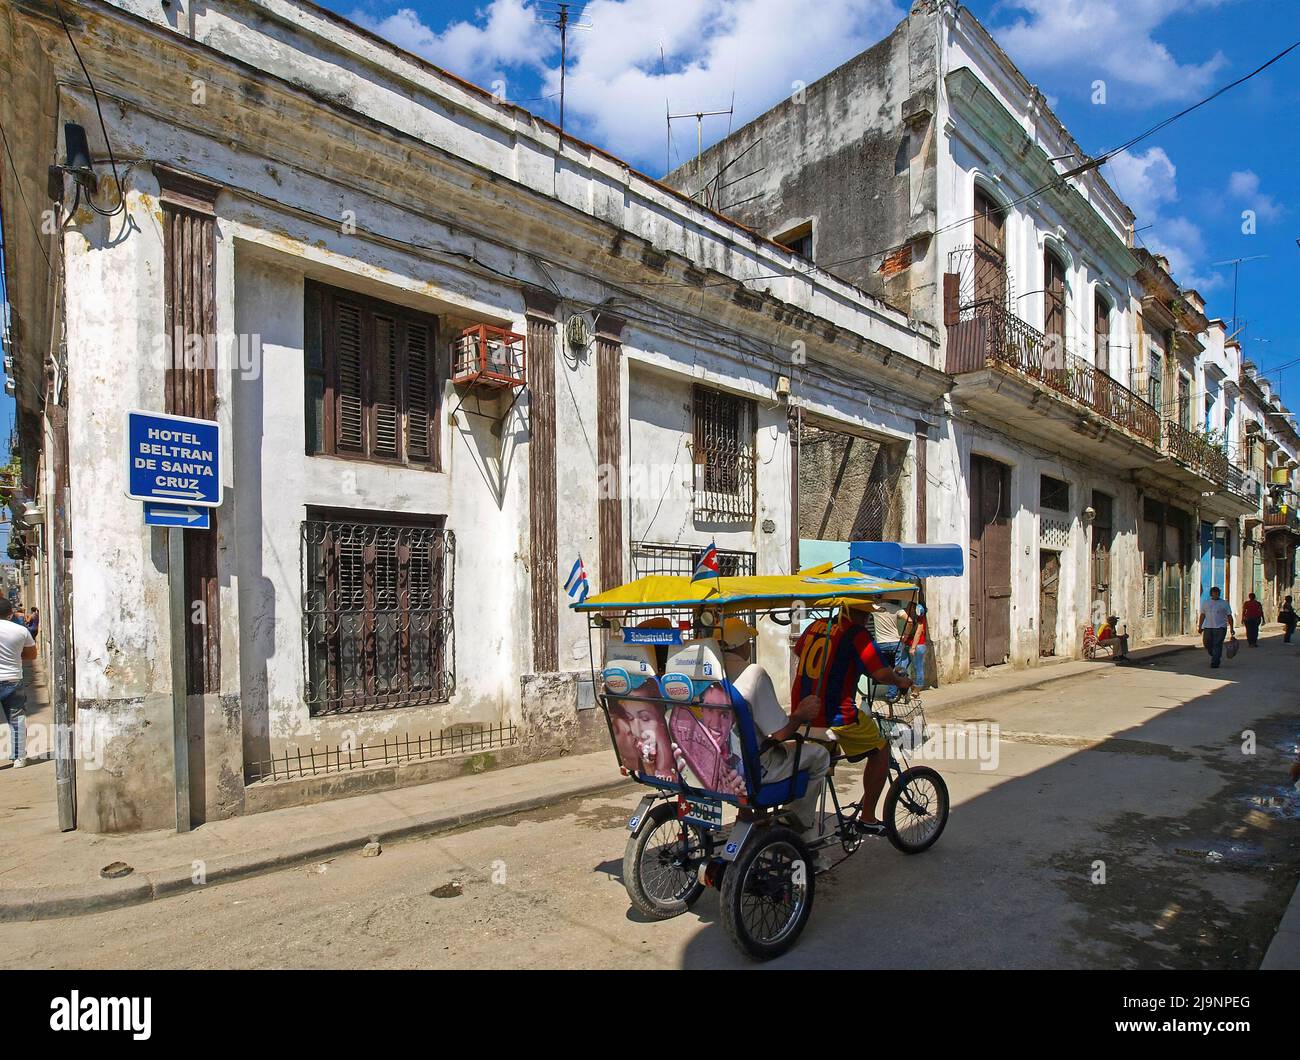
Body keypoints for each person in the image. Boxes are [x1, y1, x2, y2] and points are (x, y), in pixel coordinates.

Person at [791, 602, 912, 835]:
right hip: (835, 715)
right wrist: (899, 681)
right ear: (859, 612)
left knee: (826, 756)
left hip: (802, 712)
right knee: (881, 749)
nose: (867, 619)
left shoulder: (816, 625)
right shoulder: (856, 634)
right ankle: (867, 818)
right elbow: (880, 673)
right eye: (866, 614)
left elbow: (799, 652)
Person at [717, 617, 830, 853]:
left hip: (716, 765)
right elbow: (779, 733)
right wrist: (799, 715)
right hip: (754, 768)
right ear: (741, 644)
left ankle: (750, 816)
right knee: (820, 755)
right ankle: (800, 826)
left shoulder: (710, 676)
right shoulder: (752, 674)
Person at [0, 598, 36, 767]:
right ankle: (19, 757)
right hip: (13, 679)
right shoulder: (21, 631)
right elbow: (31, 655)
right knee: (17, 719)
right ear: (10, 614)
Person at [1196, 586, 1234, 669]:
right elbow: (1202, 615)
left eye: (1217, 593)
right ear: (1211, 594)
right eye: (1214, 593)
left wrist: (1231, 628)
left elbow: (1229, 616)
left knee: (1217, 644)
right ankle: (1215, 654)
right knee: (1207, 643)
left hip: (1220, 628)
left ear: (1219, 594)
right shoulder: (1206, 603)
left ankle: (1215, 662)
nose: (1216, 594)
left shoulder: (1224, 603)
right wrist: (1200, 626)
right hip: (1208, 627)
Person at [899, 600, 928, 690]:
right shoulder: (909, 618)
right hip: (908, 644)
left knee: (917, 667)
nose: (907, 608)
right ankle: (903, 685)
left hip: (917, 645)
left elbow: (918, 633)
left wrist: (913, 647)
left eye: (909, 606)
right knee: (902, 667)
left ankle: (917, 688)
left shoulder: (920, 617)